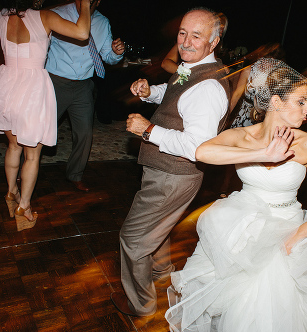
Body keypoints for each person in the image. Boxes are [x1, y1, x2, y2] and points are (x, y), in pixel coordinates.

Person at [166, 58, 307, 331]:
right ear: (276, 103)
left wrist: (296, 237)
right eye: (300, 101)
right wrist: (263, 154)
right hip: (239, 227)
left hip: (284, 229)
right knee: (229, 304)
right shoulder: (242, 136)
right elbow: (202, 152)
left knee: (268, 312)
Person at [119, 7, 230, 316]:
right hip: (169, 173)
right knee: (160, 227)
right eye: (182, 33)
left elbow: (196, 148)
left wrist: (149, 129)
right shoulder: (194, 68)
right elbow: (176, 95)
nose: (185, 41)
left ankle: (140, 305)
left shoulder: (208, 87)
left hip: (172, 175)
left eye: (196, 36)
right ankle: (163, 272)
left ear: (213, 41)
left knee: (133, 239)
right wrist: (150, 93)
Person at [0, 0, 92, 229]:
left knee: (13, 146)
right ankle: (24, 206)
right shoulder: (44, 16)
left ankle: (11, 193)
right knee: (32, 156)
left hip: (7, 84)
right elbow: (82, 33)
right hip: (32, 87)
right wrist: (84, 5)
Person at [45, 0, 125, 193]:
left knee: (85, 134)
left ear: (98, 1)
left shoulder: (102, 22)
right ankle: (25, 167)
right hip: (56, 82)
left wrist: (116, 53)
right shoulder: (56, 14)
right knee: (41, 130)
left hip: (84, 86)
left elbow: (107, 56)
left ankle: (75, 175)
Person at [226, 42, 285, 128]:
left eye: (268, 61)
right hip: (242, 117)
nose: (263, 63)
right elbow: (236, 95)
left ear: (276, 63)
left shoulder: (276, 78)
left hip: (262, 122)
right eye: (262, 58)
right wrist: (226, 116)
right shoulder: (249, 71)